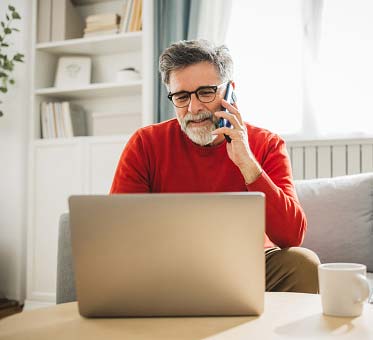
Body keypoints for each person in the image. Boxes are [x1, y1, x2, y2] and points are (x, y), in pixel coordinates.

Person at [111, 39, 320, 293]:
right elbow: (120, 232)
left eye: (206, 92)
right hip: (169, 268)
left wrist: (247, 163)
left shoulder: (266, 143)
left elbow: (291, 236)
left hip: (247, 265)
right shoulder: (145, 143)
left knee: (303, 264)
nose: (194, 107)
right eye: (181, 96)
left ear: (230, 91)